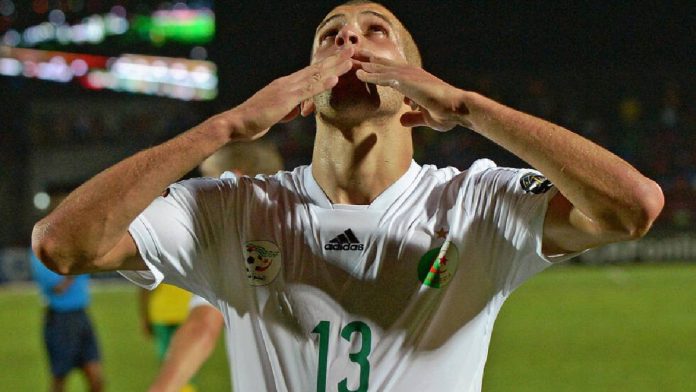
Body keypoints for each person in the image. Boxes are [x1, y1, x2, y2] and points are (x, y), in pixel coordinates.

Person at [32, 1, 664, 391]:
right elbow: (62, 244)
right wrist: (223, 127)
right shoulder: (232, 209)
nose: (349, 41)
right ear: (306, 94)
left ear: (417, 95)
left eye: (375, 31)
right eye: (330, 35)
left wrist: (471, 109)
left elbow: (632, 207)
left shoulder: (477, 204)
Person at [148, 141, 284, 392]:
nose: (200, 193)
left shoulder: (243, 245)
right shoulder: (323, 229)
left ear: (235, 179)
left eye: (208, 182)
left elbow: (203, 326)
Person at [30, 189, 104, 392]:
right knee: (60, 379)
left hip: (81, 316)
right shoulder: (41, 249)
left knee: (96, 378)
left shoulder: (77, 246)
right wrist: (77, 266)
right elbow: (58, 287)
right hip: (60, 321)